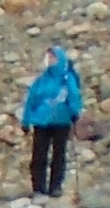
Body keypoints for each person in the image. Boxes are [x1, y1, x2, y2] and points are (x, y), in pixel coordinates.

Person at [23, 45, 84, 198]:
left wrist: (75, 112)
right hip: (41, 121)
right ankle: (38, 187)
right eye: (49, 57)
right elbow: (31, 100)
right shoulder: (42, 80)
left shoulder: (67, 78)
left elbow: (74, 96)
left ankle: (55, 186)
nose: (49, 60)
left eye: (53, 57)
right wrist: (26, 120)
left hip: (61, 121)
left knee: (59, 154)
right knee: (39, 155)